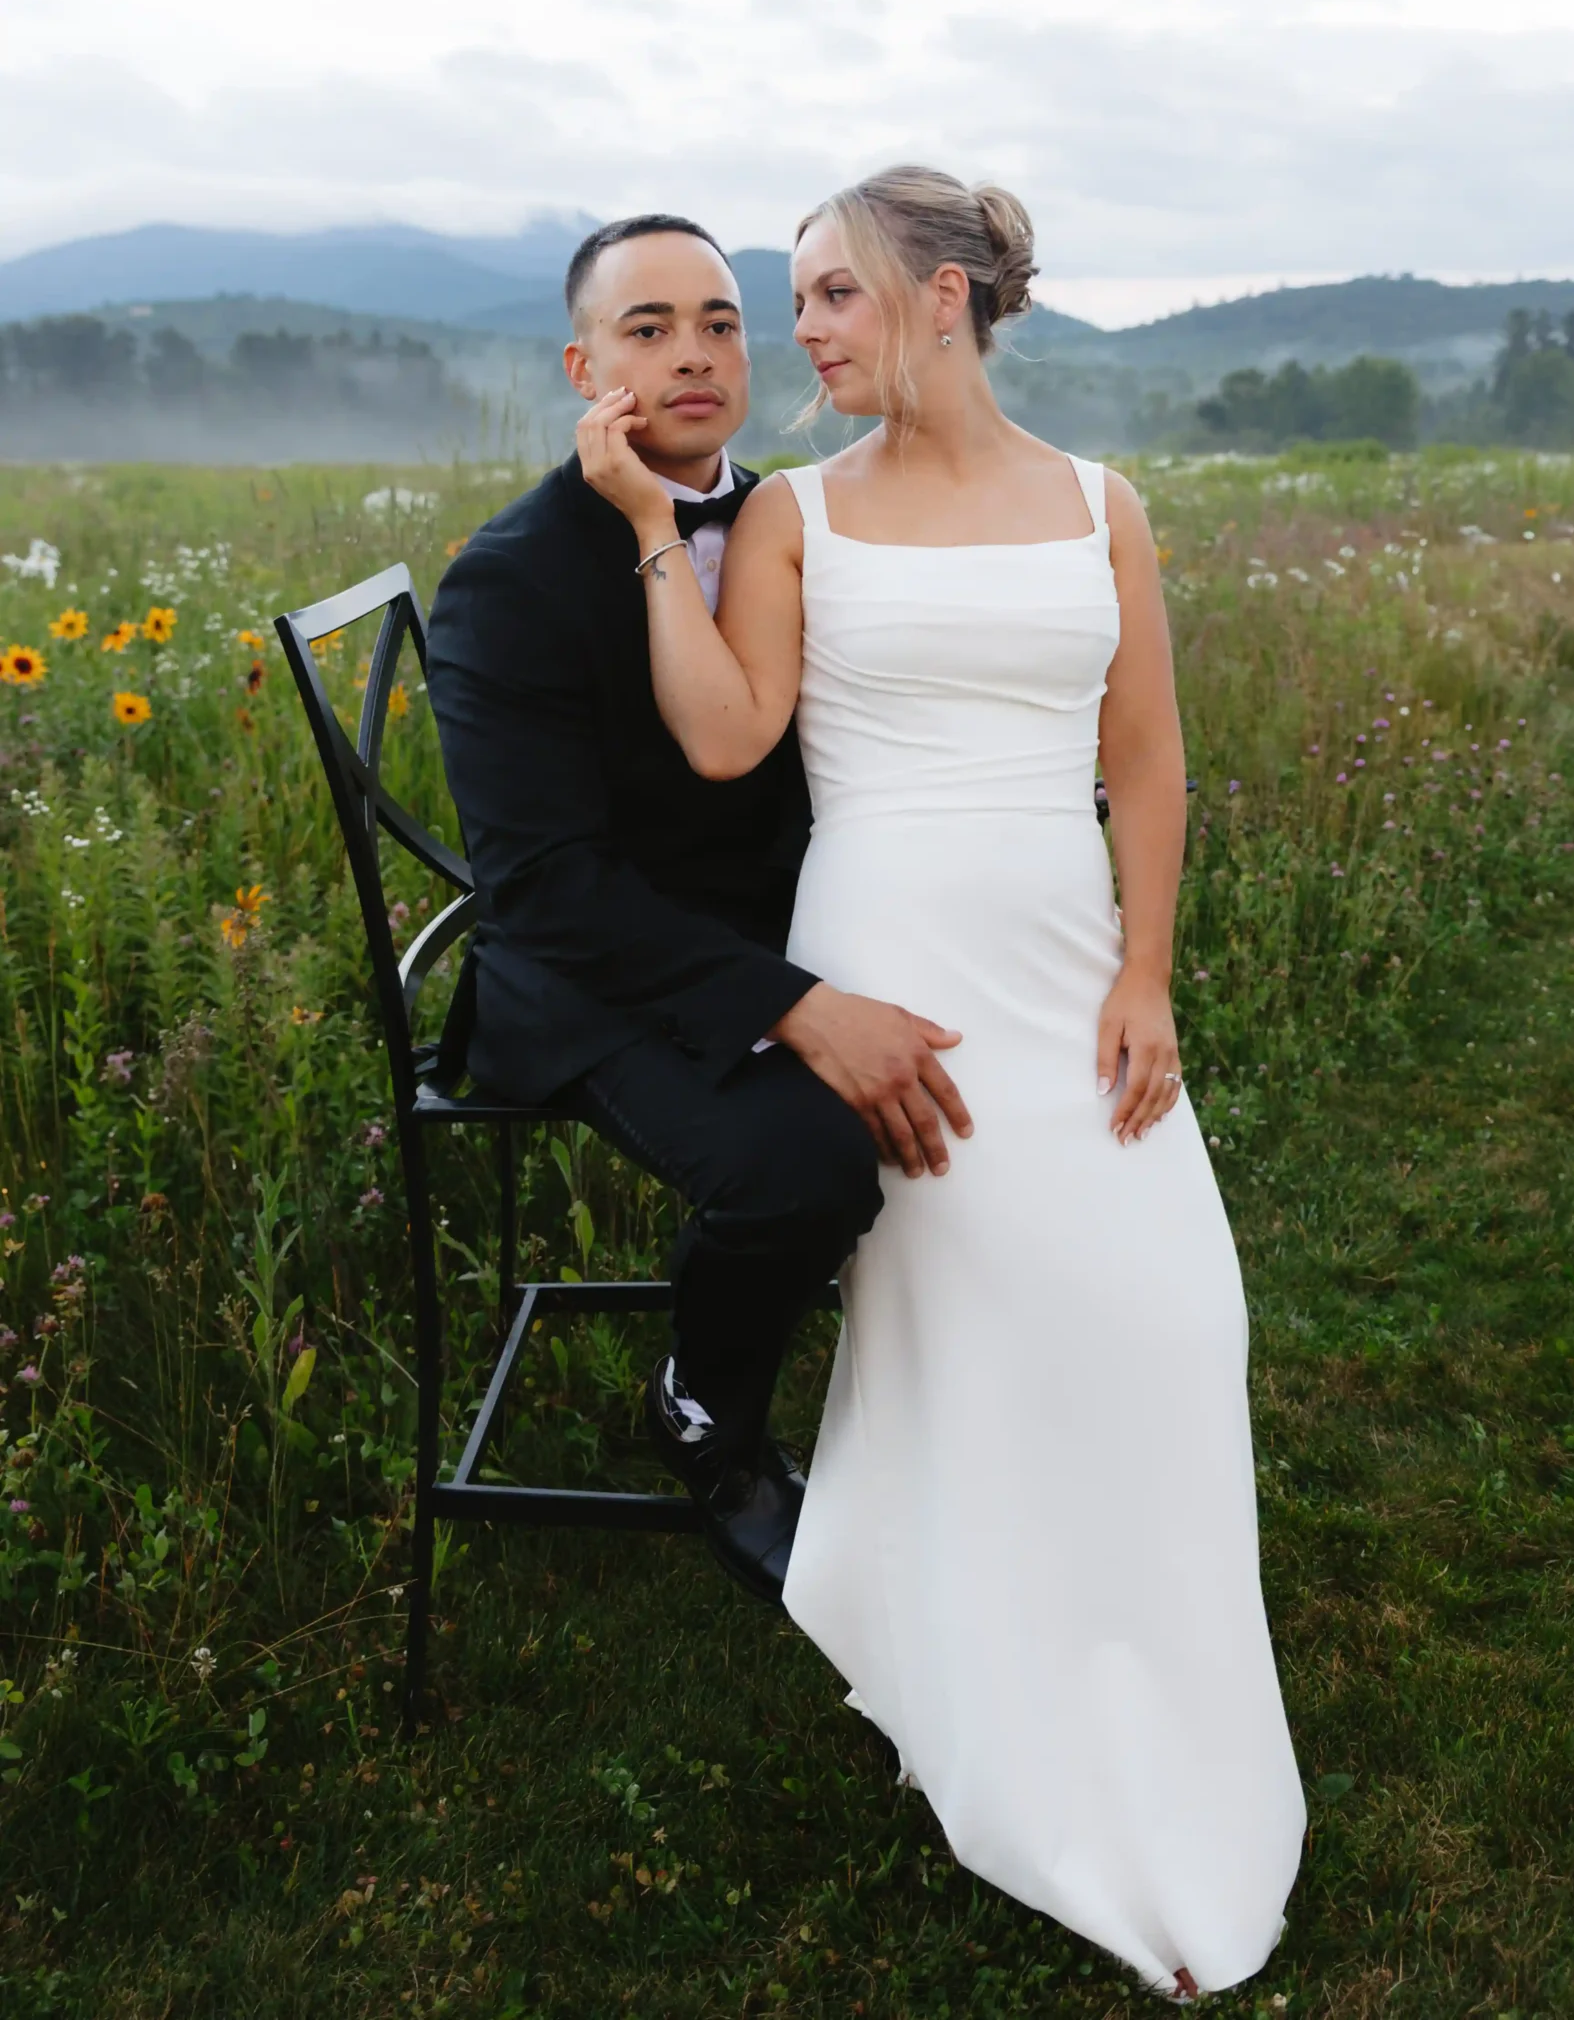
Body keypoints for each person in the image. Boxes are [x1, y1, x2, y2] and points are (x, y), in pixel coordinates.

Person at [575, 168, 1305, 2000]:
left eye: (830, 291)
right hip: (894, 967)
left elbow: (1145, 755)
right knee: (978, 1332)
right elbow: (729, 737)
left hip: (1069, 964)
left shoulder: (1100, 505)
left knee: (1173, 1317)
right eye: (793, 299)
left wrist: (1146, 972)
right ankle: (980, 1672)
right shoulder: (797, 512)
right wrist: (656, 527)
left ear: (946, 294)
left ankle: (1157, 1681)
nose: (797, 331)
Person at [426, 212, 974, 1605]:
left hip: (774, 926)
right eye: (648, 328)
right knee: (806, 1171)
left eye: (720, 323)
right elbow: (542, 887)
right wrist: (797, 1009)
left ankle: (965, 1398)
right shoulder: (510, 578)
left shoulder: (793, 517)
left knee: (1000, 1048)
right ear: (582, 368)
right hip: (593, 978)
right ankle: (704, 1413)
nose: (693, 354)